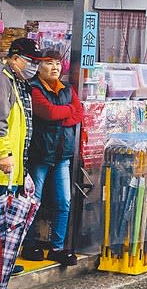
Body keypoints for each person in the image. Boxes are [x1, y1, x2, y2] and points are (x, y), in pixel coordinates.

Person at [20, 50, 81, 266]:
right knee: (33, 201)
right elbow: (47, 113)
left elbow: (78, 113)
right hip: (40, 155)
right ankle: (29, 244)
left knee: (64, 202)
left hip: (62, 156)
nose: (55, 67)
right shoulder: (33, 87)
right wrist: (65, 113)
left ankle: (57, 247)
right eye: (49, 63)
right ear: (38, 66)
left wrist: (60, 114)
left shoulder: (67, 88)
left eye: (57, 63)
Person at [0, 38, 45, 275]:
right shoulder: (3, 80)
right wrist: (4, 154)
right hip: (3, 167)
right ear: (15, 58)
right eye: (30, 61)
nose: (34, 67)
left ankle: (3, 265)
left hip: (14, 168)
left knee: (7, 225)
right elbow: (0, 123)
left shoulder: (19, 82)